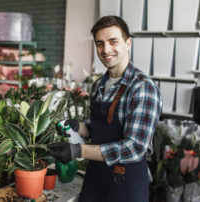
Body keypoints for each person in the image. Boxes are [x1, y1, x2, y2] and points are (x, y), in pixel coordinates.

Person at [48, 16, 162, 202]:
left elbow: (134, 148)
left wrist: (78, 151)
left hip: (125, 186)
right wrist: (78, 127)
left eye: (113, 41)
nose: (106, 50)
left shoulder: (142, 88)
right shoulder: (99, 85)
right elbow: (103, 129)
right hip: (95, 178)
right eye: (100, 44)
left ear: (128, 43)